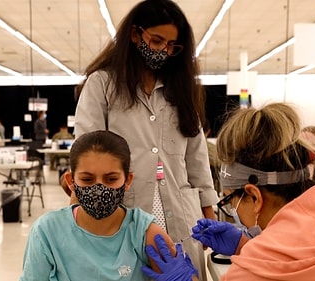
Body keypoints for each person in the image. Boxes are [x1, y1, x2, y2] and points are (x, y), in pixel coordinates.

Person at [73, 0, 218, 278]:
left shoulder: (181, 91)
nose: (163, 50)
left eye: (171, 46)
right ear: (135, 34)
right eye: (157, 40)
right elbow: (87, 151)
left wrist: (208, 212)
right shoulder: (103, 85)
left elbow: (197, 159)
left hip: (179, 212)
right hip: (125, 209)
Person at [188, 103, 315, 280]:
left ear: (254, 196)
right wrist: (245, 246)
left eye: (230, 201)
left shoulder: (250, 273)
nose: (233, 210)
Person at [20, 130, 198, 281]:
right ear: (71, 181)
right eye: (87, 179)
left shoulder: (142, 232)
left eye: (111, 179)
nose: (99, 188)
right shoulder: (47, 232)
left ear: (127, 181)